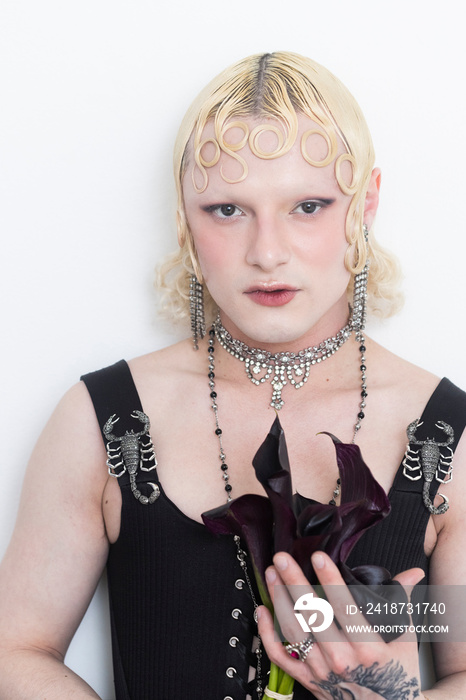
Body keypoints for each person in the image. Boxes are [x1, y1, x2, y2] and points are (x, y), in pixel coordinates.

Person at [0, 51, 465, 700]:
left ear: (365, 205)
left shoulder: (447, 438)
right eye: (227, 210)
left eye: (308, 205)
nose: (266, 251)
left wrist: (380, 690)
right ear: (185, 219)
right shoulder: (103, 420)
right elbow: (18, 649)